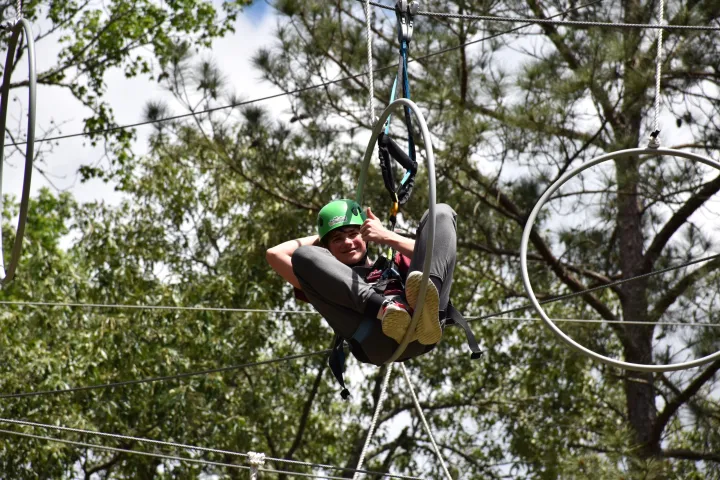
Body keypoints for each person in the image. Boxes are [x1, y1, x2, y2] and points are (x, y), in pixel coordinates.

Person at [266, 199, 457, 366]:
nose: (347, 242)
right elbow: (275, 254)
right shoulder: (326, 282)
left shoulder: (394, 262)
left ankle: (426, 307)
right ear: (327, 247)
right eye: (337, 239)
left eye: (352, 234)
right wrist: (323, 235)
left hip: (424, 331)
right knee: (303, 254)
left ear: (365, 235)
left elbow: (438, 253)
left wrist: (386, 236)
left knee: (440, 212)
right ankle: (384, 310)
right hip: (375, 339)